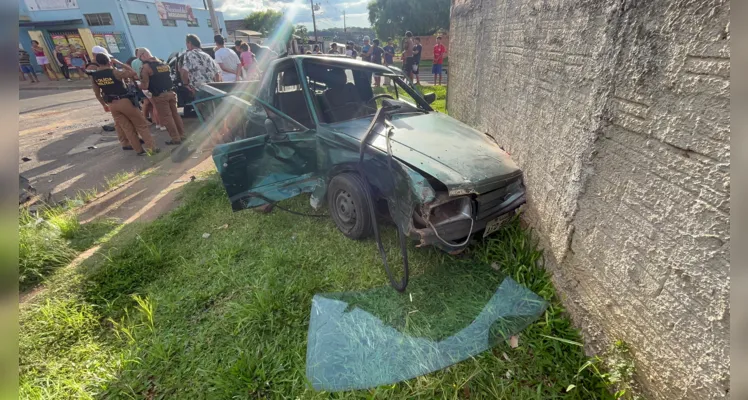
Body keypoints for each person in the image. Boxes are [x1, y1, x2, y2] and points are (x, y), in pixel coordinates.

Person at [91, 52, 159, 155]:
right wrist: (119, 63)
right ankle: (152, 149)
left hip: (112, 104)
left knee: (127, 129)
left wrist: (104, 105)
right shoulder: (114, 72)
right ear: (109, 61)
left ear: (97, 63)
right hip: (125, 101)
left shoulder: (94, 76)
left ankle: (139, 151)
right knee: (141, 125)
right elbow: (132, 73)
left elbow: (97, 93)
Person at [138, 48, 186, 146]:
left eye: (140, 58)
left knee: (167, 117)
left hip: (159, 95)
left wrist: (137, 84)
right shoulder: (163, 63)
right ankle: (182, 135)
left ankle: (175, 138)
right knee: (175, 115)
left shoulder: (146, 67)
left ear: (143, 56)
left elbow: (145, 86)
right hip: (171, 93)